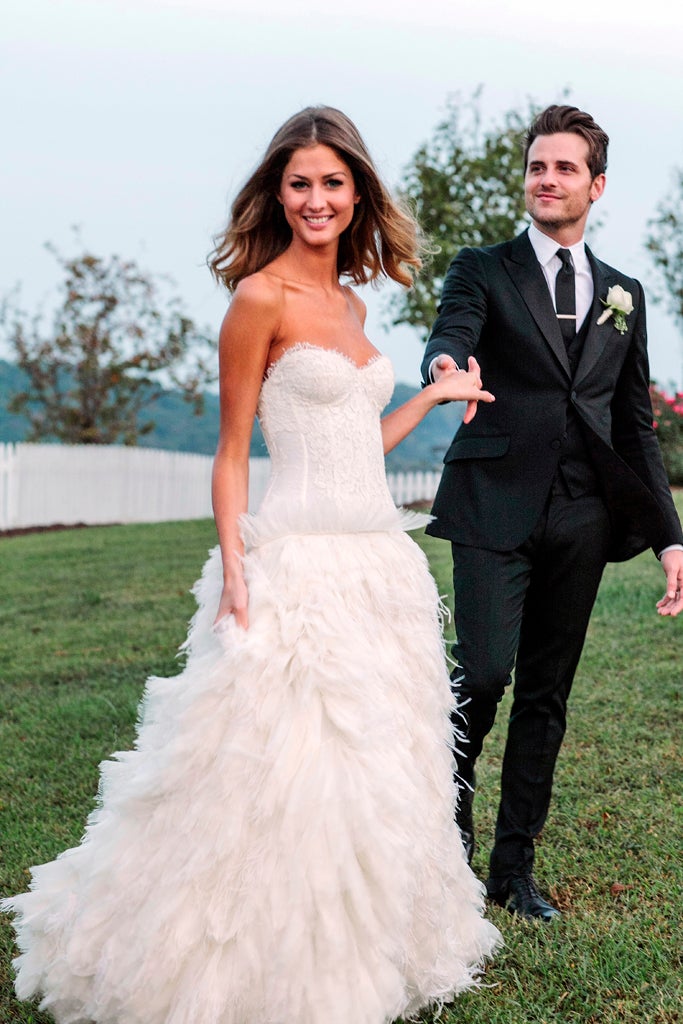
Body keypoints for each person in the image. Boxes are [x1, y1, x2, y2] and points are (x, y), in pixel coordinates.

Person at [2, 106, 501, 1024]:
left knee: (379, 768)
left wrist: (431, 393)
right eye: (300, 183)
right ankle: (262, 971)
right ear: (278, 192)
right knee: (283, 775)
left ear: (358, 194)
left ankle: (367, 944)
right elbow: (234, 451)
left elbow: (357, 446)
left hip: (378, 565)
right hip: (295, 567)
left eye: (333, 183)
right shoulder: (259, 299)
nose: (317, 199)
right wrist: (236, 566)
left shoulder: (352, 306)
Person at [421, 103, 683, 923]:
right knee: (486, 672)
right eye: (537, 165)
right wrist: (443, 363)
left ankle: (512, 871)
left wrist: (669, 540)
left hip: (582, 518)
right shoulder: (483, 267)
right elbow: (449, 329)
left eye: (564, 167)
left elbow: (631, 425)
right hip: (492, 503)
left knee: (545, 694)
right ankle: (441, 830)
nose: (546, 178)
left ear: (595, 185)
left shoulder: (623, 296)